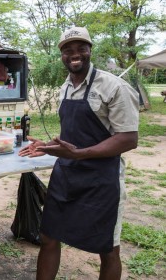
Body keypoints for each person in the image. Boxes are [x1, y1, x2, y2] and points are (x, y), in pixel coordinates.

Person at [18, 26, 139, 280]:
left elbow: (128, 138)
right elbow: (72, 136)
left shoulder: (114, 87)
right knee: (49, 236)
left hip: (102, 179)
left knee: (107, 248)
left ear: (90, 50)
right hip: (67, 174)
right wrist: (48, 147)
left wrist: (80, 153)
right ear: (61, 55)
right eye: (68, 50)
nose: (75, 54)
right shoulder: (66, 87)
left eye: (81, 48)